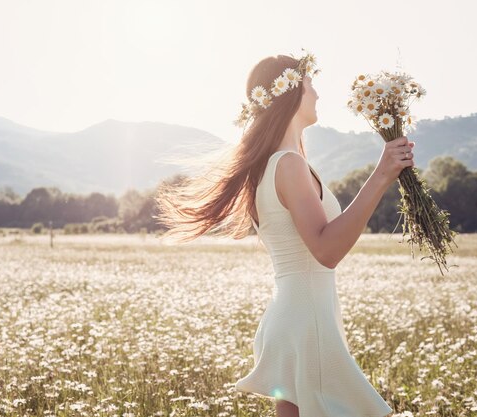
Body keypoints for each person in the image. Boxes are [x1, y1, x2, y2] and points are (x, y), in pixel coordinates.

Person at [154, 51, 414, 417]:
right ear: (290, 92)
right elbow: (326, 249)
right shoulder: (288, 165)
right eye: (310, 84)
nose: (317, 94)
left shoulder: (276, 164)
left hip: (295, 317)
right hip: (307, 320)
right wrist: (382, 175)